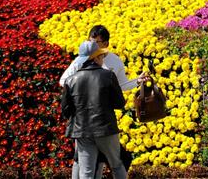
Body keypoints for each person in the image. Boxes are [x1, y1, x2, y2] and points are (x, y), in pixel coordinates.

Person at [60, 25, 149, 178]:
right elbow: (119, 102)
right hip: (101, 125)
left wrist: (137, 81)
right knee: (105, 164)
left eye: (97, 42)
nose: (94, 45)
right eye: (91, 41)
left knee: (90, 167)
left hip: (83, 126)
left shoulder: (114, 62)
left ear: (106, 44)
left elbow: (122, 85)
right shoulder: (84, 65)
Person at [61, 41, 127, 179]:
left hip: (83, 131)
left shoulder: (71, 80)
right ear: (95, 58)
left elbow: (66, 110)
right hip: (106, 129)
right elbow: (119, 103)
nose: (103, 59)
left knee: (86, 172)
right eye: (101, 56)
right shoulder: (108, 76)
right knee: (116, 165)